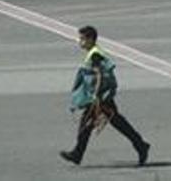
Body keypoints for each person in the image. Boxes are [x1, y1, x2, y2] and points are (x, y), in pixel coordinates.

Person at [59, 25, 151, 166]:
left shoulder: (95, 54)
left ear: (90, 39)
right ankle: (140, 145)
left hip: (100, 98)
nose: (79, 41)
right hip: (101, 98)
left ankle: (78, 154)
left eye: (82, 39)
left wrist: (96, 95)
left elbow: (99, 75)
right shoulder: (93, 52)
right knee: (116, 122)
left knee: (91, 124)